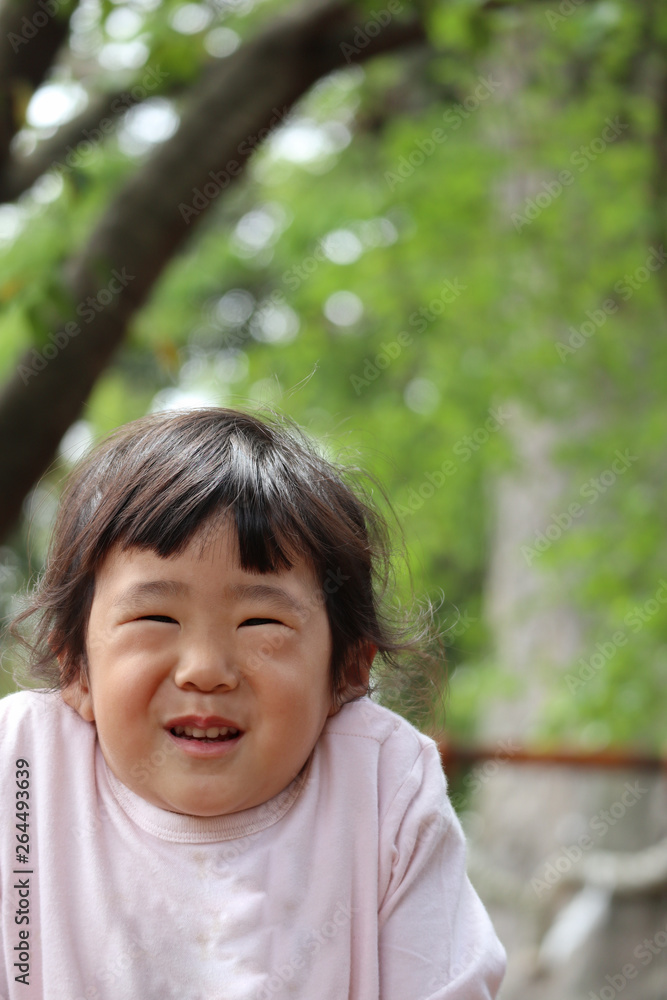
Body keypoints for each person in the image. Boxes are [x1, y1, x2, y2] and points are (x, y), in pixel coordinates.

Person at [0, 407, 506, 998]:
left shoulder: (380, 783)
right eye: (156, 617)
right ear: (75, 666)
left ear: (347, 669)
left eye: (260, 623)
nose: (206, 670)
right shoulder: (23, 766)